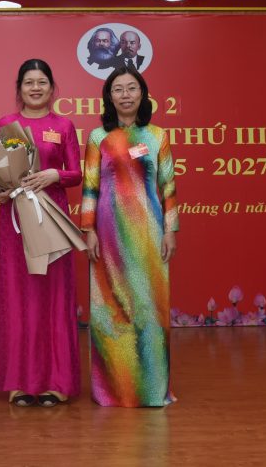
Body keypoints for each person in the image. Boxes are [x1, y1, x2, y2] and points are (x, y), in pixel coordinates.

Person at [80, 66, 178, 407]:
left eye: (131, 88)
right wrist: (88, 229)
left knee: (150, 306)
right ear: (109, 96)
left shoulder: (157, 136)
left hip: (149, 233)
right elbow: (89, 187)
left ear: (142, 93)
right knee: (110, 308)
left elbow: (168, 186)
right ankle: (113, 389)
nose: (125, 95)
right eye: (118, 89)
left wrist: (171, 231)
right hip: (108, 236)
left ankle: (152, 389)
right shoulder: (98, 137)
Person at [0, 59, 81, 407]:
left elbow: (77, 173)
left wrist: (55, 175)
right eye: (29, 82)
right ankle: (19, 382)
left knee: (53, 296)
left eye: (42, 82)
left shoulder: (64, 125)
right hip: (15, 222)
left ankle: (56, 382)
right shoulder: (6, 125)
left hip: (52, 218)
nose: (36, 88)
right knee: (18, 296)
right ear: (19, 88)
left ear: (52, 88)